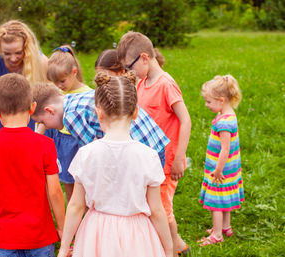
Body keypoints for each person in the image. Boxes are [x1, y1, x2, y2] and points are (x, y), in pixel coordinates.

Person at [57, 71, 173, 257]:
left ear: (99, 113)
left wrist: (64, 249)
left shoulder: (86, 154)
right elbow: (157, 211)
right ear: (135, 112)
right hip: (137, 235)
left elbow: (76, 206)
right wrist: (168, 248)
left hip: (96, 234)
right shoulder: (148, 156)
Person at [117, 31, 192, 255]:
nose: (129, 73)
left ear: (144, 58)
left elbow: (185, 119)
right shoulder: (142, 83)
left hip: (166, 161)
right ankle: (168, 245)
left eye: (130, 67)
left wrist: (179, 157)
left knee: (161, 208)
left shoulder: (165, 84)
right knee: (151, 205)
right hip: (146, 160)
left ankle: (176, 247)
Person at [0, 73, 65, 256]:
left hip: (6, 238)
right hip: (41, 236)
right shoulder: (45, 144)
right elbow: (55, 191)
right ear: (32, 108)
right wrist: (63, 227)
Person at [31, 82, 170, 168]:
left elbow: (95, 152)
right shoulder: (76, 99)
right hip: (153, 142)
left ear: (49, 110)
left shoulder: (71, 116)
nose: (45, 127)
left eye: (42, 122)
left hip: (139, 155)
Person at [0, 20, 48, 138]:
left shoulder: (41, 61)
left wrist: (37, 135)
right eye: (7, 53)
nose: (13, 58)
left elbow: (49, 100)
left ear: (26, 47)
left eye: (18, 52)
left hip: (32, 127)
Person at [198, 75, 244, 246]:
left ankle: (217, 235)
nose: (206, 105)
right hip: (229, 169)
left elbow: (225, 149)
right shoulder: (227, 114)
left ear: (221, 100)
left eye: (209, 102)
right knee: (224, 197)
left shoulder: (224, 123)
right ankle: (225, 227)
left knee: (216, 202)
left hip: (221, 170)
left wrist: (218, 170)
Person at [44, 45, 92, 203]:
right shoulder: (58, 93)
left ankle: (85, 215)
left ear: (74, 72)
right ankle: (74, 218)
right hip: (61, 141)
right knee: (68, 184)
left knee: (85, 185)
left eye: (62, 81)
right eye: (55, 82)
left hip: (77, 142)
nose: (59, 86)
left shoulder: (87, 94)